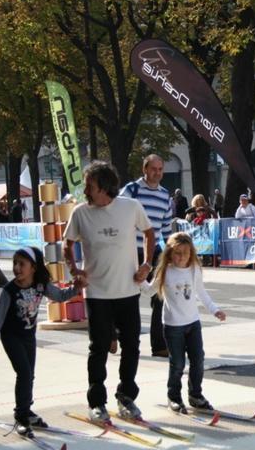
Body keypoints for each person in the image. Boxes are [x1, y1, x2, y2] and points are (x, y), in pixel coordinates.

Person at [63, 161, 155, 422]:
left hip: (127, 290)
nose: (86, 192)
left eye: (90, 186)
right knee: (98, 348)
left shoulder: (130, 207)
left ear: (104, 187)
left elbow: (150, 233)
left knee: (132, 347)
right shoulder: (81, 213)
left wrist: (147, 264)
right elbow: (66, 244)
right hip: (97, 293)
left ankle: (126, 397)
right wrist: (74, 270)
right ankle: (97, 403)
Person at [0, 247, 83, 435]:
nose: (17, 268)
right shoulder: (9, 290)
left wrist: (76, 288)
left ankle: (27, 411)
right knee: (24, 373)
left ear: (34, 268)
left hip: (29, 336)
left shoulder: (40, 285)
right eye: (15, 263)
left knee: (29, 374)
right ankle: (20, 416)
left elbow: (60, 296)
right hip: (11, 337)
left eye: (22, 264)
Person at [140, 233, 226, 413]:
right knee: (177, 363)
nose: (181, 257)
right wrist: (139, 278)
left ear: (191, 253)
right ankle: (174, 397)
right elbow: (149, 291)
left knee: (198, 360)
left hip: (193, 323)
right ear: (170, 253)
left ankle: (195, 395)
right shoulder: (165, 271)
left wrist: (214, 309)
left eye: (185, 253)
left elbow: (201, 292)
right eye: (177, 253)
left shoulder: (194, 268)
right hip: (173, 325)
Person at [120, 154, 173, 358]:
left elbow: (167, 229)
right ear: (145, 169)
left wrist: (172, 252)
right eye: (153, 169)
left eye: (160, 169)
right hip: (130, 249)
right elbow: (117, 213)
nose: (157, 173)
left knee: (161, 293)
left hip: (154, 250)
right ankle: (120, 335)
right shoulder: (132, 190)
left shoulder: (165, 195)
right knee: (127, 296)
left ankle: (159, 344)